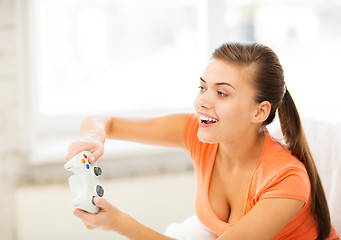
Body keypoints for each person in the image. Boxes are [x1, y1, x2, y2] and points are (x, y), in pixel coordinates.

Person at [66, 42, 339, 240]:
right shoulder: (199, 134)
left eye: (222, 93)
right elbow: (105, 121)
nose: (202, 101)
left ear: (259, 112)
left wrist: (119, 223)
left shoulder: (287, 180)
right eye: (202, 87)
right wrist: (93, 138)